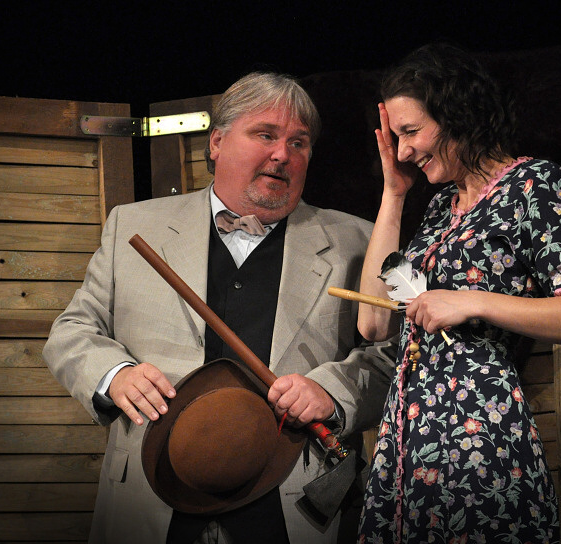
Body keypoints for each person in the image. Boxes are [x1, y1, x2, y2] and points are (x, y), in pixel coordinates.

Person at [43, 71, 395, 544]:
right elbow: (71, 331)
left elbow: (392, 358)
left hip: (293, 506)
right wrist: (115, 375)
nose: (282, 154)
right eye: (265, 135)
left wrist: (333, 393)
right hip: (150, 500)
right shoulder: (134, 224)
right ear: (216, 142)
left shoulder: (358, 241)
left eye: (298, 142)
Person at [355, 43, 561, 543]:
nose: (403, 151)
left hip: (478, 438)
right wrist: (394, 194)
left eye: (411, 132)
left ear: (456, 114)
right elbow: (374, 321)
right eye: (397, 137)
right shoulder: (440, 208)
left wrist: (472, 301)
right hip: (410, 442)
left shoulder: (534, 185)